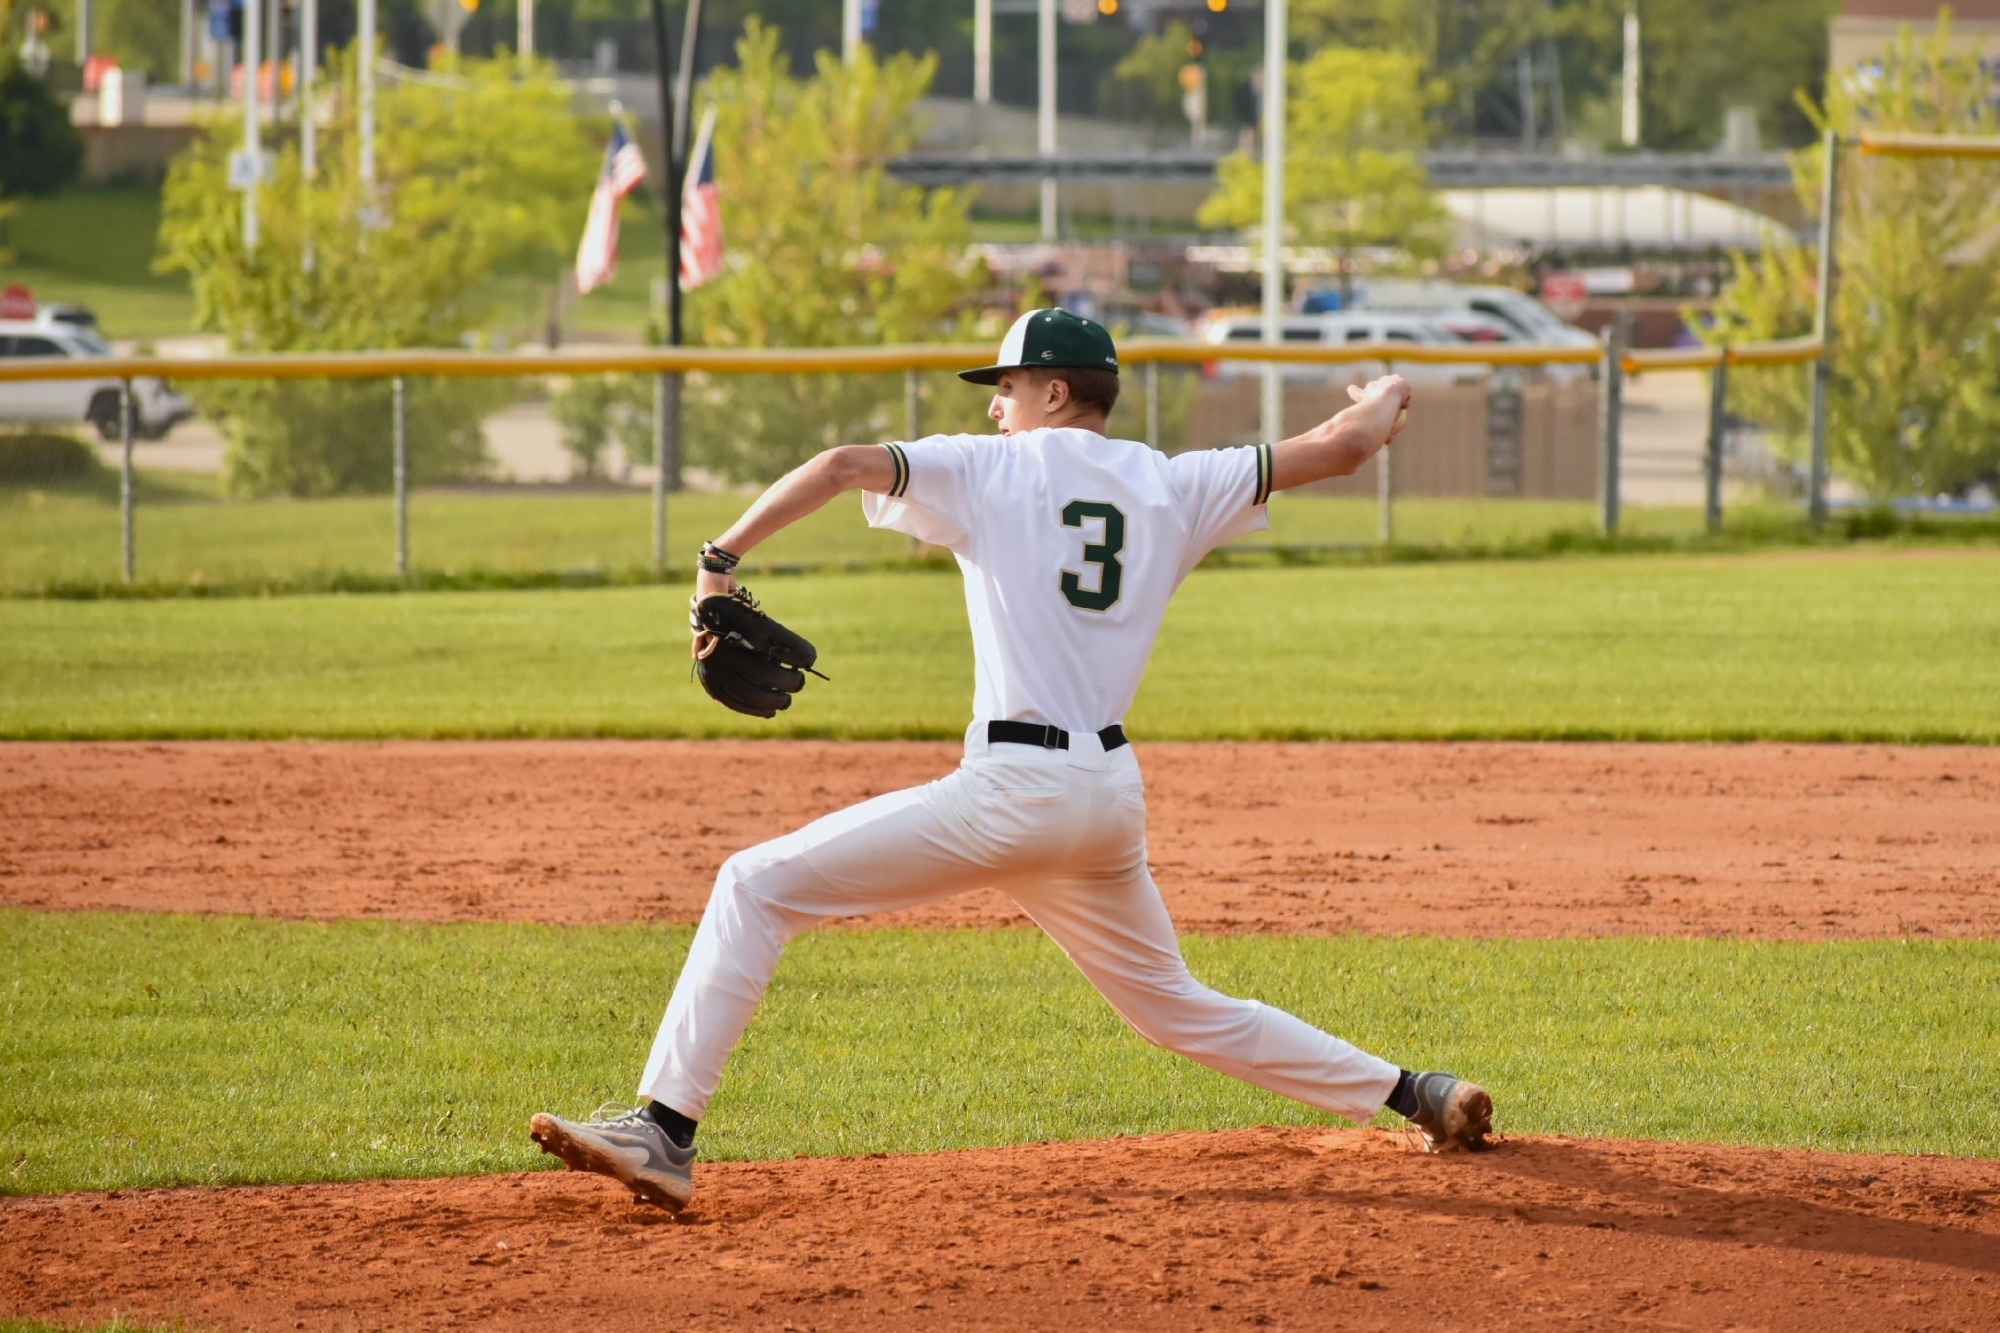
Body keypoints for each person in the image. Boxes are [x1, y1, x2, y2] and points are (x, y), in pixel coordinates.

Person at [530, 308, 1493, 1212]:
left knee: (753, 884)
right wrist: (1387, 390)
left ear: (1055, 393)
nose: (995, 406)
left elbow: (839, 465)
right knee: (1176, 1008)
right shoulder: (1175, 481)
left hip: (1012, 793)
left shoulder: (991, 468)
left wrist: (718, 561)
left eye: (1008, 386)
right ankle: (1416, 1090)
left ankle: (664, 1130)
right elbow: (1346, 445)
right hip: (1106, 799)